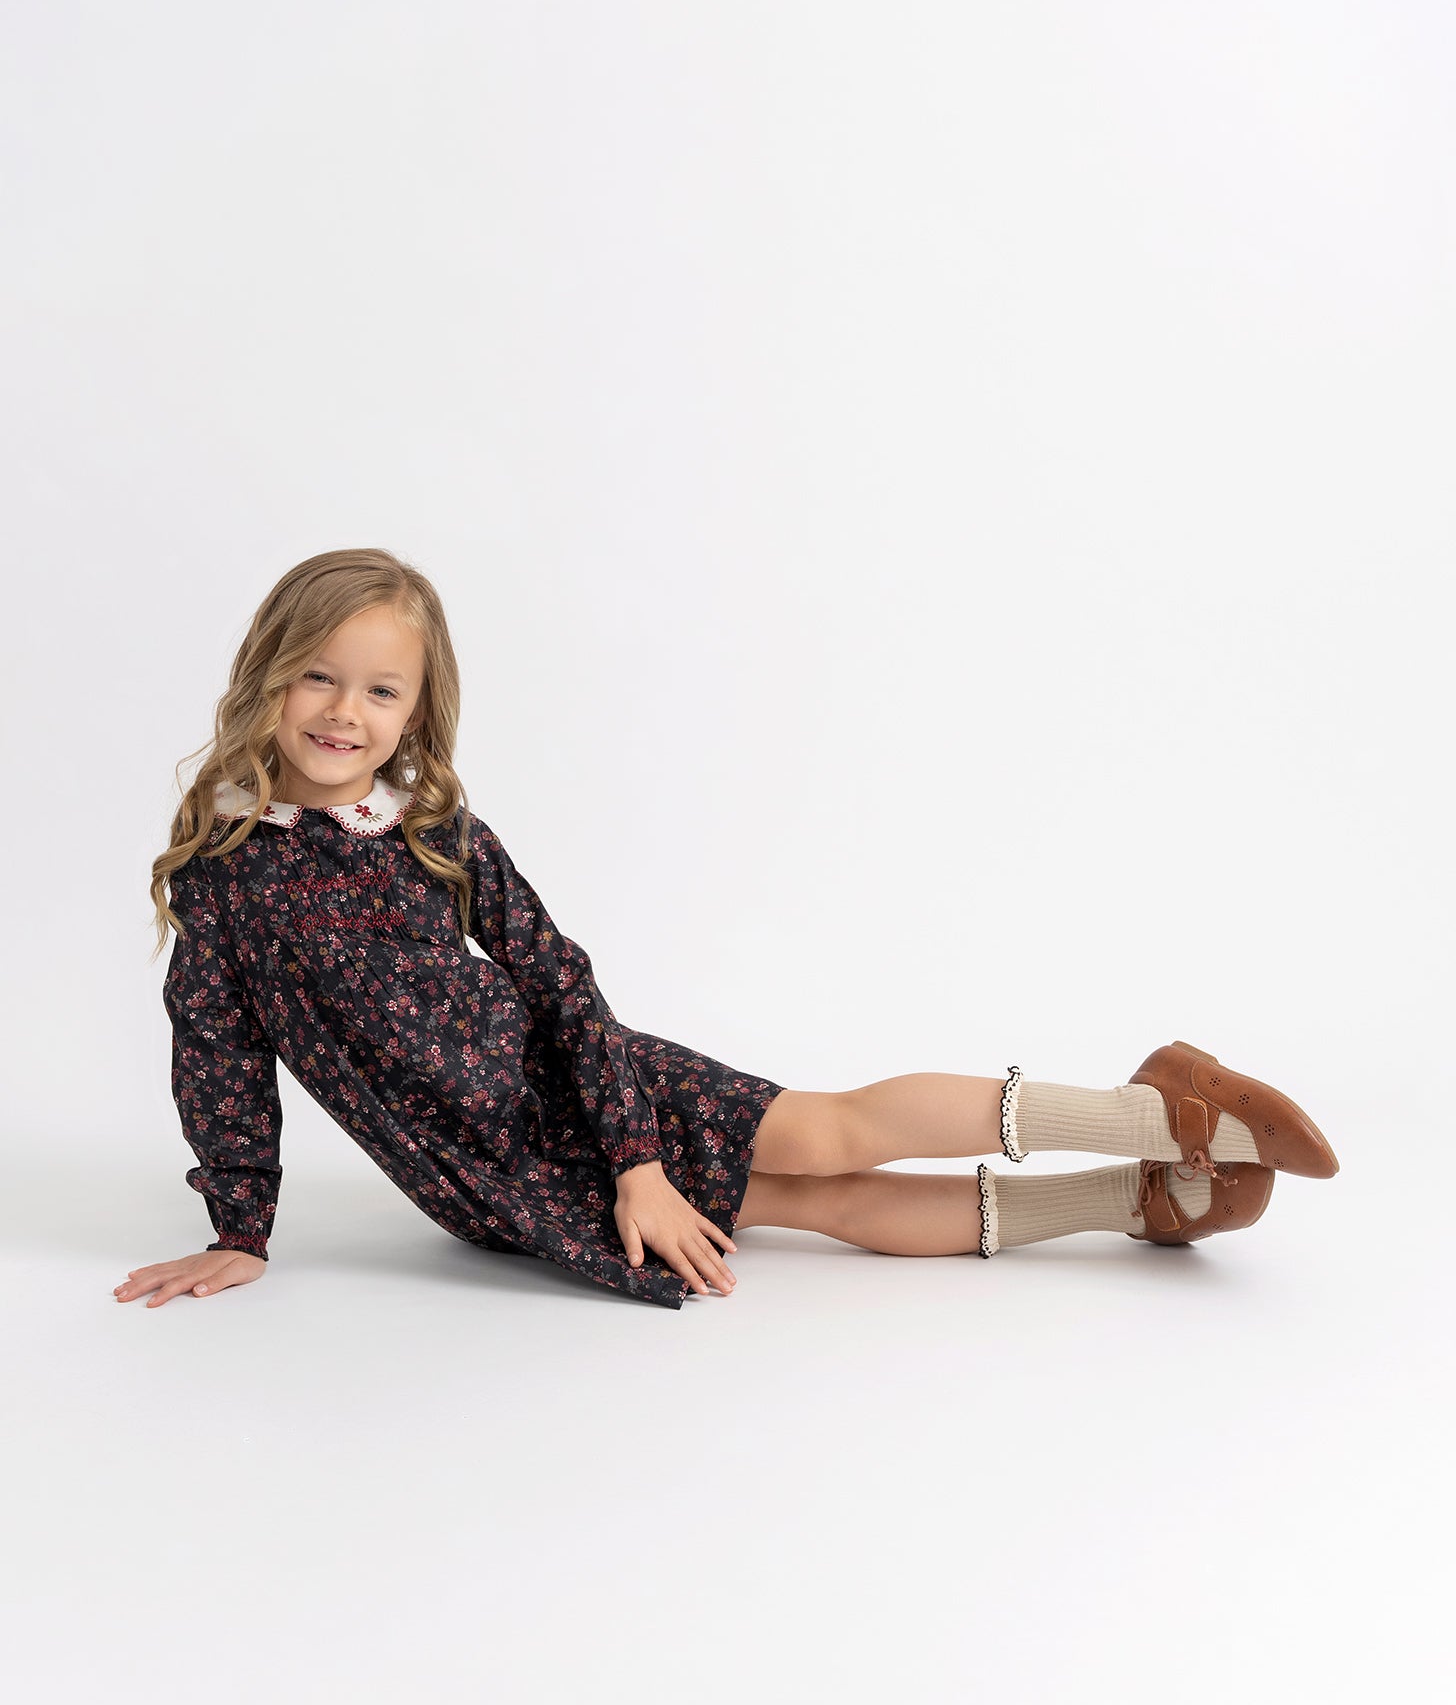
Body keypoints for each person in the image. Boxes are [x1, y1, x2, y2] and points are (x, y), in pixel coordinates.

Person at [115, 547, 1341, 1314]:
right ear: (266, 676)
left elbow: (557, 979)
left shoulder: (432, 827)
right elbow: (215, 1060)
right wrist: (241, 1226)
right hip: (494, 1179)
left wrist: (638, 1157)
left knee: (824, 1130)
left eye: (380, 690)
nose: (344, 712)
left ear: (416, 712)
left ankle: (1169, 1115)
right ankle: (1141, 1208)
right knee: (832, 1205)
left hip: (589, 1094)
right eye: (317, 677)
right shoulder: (225, 875)